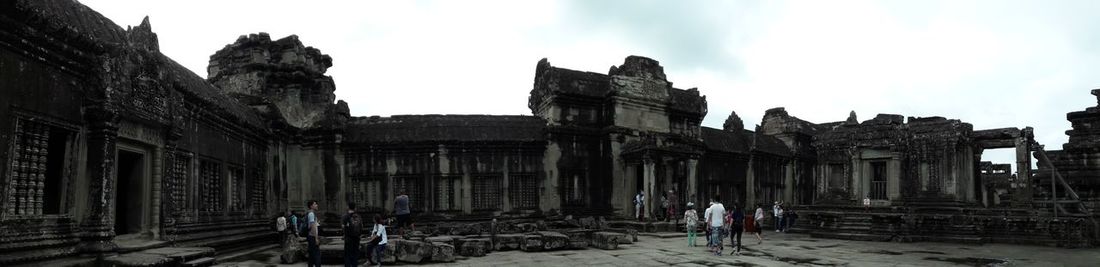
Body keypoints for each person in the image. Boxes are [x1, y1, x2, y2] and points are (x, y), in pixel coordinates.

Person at [342, 202, 362, 267]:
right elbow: (361, 226)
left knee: (347, 254)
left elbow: (343, 227)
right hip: (357, 238)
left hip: (348, 238)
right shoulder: (358, 216)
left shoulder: (345, 216)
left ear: (348, 207)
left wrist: (344, 233)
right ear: (355, 208)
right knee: (355, 254)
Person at [306, 200, 321, 267]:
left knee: (311, 255)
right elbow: (312, 227)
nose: (316, 205)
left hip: (311, 236)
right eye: (315, 204)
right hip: (312, 236)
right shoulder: (311, 214)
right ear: (311, 206)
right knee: (317, 254)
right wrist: (316, 238)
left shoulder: (311, 214)